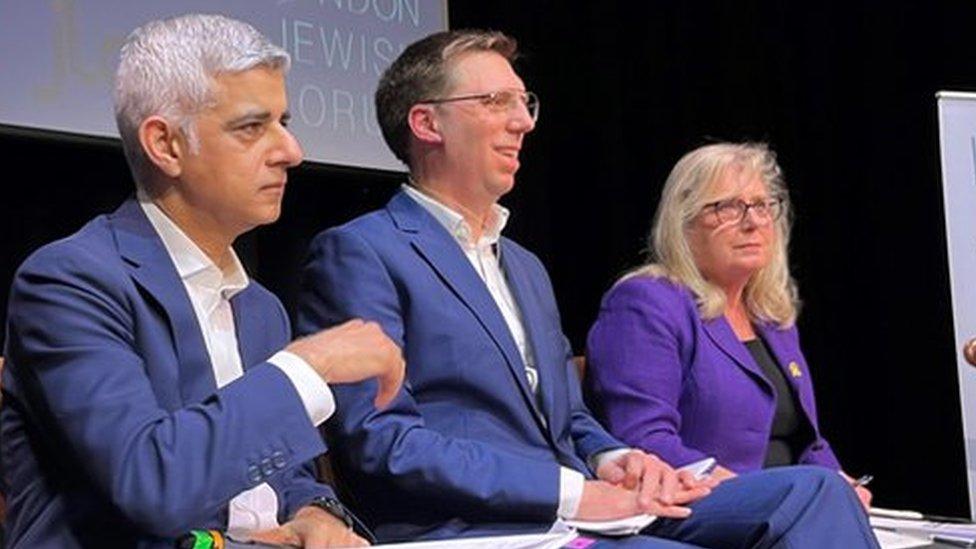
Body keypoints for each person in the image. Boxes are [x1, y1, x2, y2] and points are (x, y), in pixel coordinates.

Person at [296, 30, 879, 547]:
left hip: (582, 515)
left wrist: (620, 458)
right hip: (470, 527)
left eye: (524, 103)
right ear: (427, 124)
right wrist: (573, 493)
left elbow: (569, 419)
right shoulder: (363, 252)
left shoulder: (523, 266)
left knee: (817, 493)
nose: (522, 121)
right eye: (496, 102)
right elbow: (382, 441)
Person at [0, 14, 404, 548]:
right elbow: (150, 482)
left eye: (284, 121)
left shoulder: (259, 307)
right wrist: (310, 364)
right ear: (165, 145)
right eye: (252, 127)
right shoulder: (69, 283)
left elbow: (286, 473)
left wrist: (316, 512)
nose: (292, 151)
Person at [585, 143, 871, 508]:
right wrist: (744, 490)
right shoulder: (647, 302)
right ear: (684, 224)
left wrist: (842, 485)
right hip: (700, 507)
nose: (752, 222)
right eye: (727, 207)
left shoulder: (771, 316)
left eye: (761, 206)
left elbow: (808, 444)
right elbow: (642, 437)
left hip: (791, 511)